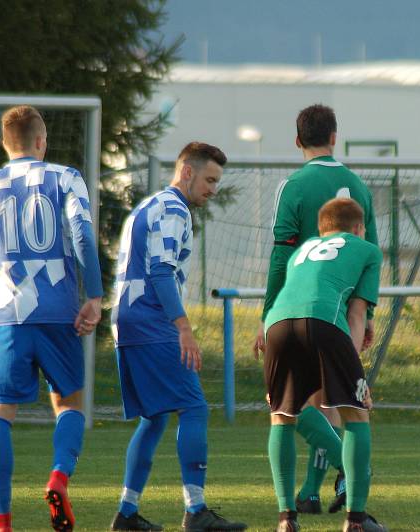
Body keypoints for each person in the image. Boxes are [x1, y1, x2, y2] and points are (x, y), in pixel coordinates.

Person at [0, 105, 104, 532]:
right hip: (59, 313)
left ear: (4, 144)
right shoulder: (65, 177)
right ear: (41, 140)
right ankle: (58, 477)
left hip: (6, 316)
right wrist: (95, 296)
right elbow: (83, 235)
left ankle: (0, 519)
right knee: (69, 403)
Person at [109, 142, 247, 532]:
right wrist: (183, 327)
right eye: (209, 179)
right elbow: (160, 271)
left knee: (154, 418)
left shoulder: (147, 205)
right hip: (153, 321)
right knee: (194, 407)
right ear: (187, 172)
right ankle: (196, 510)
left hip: (127, 320)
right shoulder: (173, 209)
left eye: (217, 182)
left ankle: (127, 513)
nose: (213, 189)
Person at [253, 103, 379, 515]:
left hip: (294, 303)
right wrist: (367, 318)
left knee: (294, 405)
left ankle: (309, 492)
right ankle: (316, 489)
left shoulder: (293, 186)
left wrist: (266, 312)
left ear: (297, 140)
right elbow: (369, 251)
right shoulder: (358, 186)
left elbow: (279, 255)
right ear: (334, 137)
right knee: (336, 404)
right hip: (340, 307)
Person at [264, 198, 386, 532]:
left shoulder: (304, 249)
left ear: (322, 229)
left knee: (282, 417)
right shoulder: (367, 249)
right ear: (359, 228)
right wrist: (355, 375)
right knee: (355, 412)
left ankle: (286, 519)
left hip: (276, 325)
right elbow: (357, 313)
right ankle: (356, 521)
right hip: (323, 320)